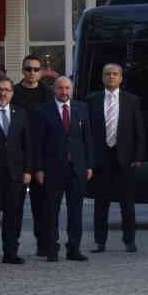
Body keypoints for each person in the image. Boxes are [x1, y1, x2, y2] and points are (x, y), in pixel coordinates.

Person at [87, 63, 146, 253]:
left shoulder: (132, 100)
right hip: (101, 158)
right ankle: (100, 241)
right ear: (102, 78)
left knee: (127, 203)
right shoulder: (92, 100)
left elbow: (139, 131)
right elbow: (87, 132)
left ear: (121, 78)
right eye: (107, 74)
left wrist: (138, 156)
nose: (111, 77)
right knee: (100, 203)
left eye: (115, 74)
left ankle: (129, 240)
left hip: (125, 159)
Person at [36, 76, 92, 262]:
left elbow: (87, 139)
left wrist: (89, 165)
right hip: (52, 169)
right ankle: (52, 248)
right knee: (51, 211)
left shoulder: (81, 108)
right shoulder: (44, 110)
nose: (64, 92)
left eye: (67, 88)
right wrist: (39, 168)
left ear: (72, 89)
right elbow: (39, 143)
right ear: (54, 90)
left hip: (77, 168)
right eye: (60, 88)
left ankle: (74, 248)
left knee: (75, 210)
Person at [0, 74, 34, 264]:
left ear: (12, 93)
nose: (3, 93)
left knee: (14, 215)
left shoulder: (20, 113)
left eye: (6, 90)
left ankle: (11, 252)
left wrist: (28, 170)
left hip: (16, 174)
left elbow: (27, 144)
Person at [13, 57, 54, 261]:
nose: (32, 73)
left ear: (41, 72)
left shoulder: (48, 93)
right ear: (22, 70)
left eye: (36, 69)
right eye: (28, 69)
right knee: (15, 205)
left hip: (42, 153)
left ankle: (44, 244)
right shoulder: (13, 92)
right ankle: (13, 247)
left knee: (43, 204)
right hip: (18, 154)